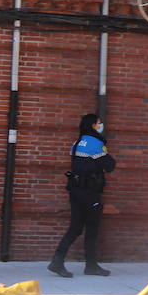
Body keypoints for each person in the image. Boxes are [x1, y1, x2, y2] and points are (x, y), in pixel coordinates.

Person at [48, 113, 117, 278]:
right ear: (93, 125)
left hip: (76, 191)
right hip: (90, 193)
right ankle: (91, 266)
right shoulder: (95, 143)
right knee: (92, 228)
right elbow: (109, 165)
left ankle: (58, 261)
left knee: (75, 228)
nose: (101, 125)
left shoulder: (77, 142)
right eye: (99, 123)